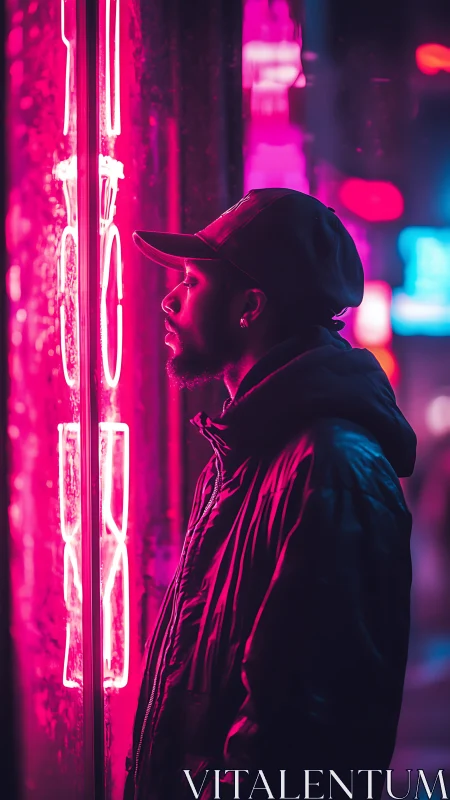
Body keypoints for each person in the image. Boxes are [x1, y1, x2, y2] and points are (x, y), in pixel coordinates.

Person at [124, 188, 416, 800]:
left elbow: (314, 728)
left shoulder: (331, 467)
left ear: (250, 306)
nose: (169, 300)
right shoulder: (249, 454)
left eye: (192, 282)